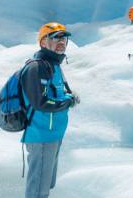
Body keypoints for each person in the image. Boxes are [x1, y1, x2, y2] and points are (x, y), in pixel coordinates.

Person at [21, 22, 80, 198]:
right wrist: (67, 101)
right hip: (41, 135)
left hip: (53, 133)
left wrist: (68, 96)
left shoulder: (54, 65)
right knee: (38, 189)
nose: (61, 41)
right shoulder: (37, 67)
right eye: (55, 37)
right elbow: (41, 103)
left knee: (46, 185)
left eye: (64, 38)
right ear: (43, 43)